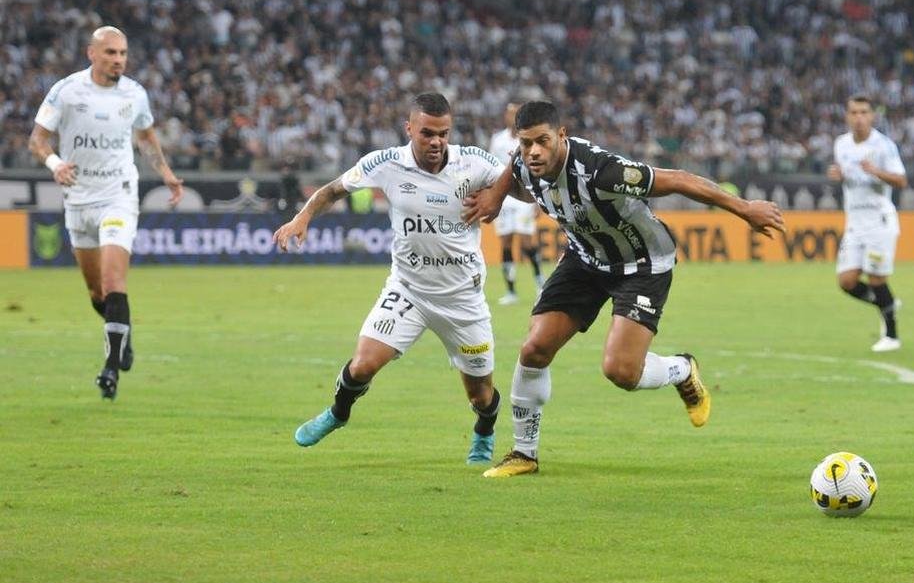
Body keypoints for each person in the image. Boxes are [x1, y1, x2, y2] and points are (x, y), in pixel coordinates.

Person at [461, 100, 785, 478]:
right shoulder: (525, 161)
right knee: (534, 348)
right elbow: (513, 165)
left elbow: (680, 179)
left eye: (542, 141)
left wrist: (745, 209)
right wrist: (497, 195)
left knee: (621, 371)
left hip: (642, 265)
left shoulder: (602, 170)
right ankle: (524, 453)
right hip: (585, 259)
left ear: (561, 136)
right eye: (526, 142)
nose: (533, 151)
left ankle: (681, 370)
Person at [273, 93, 507, 464]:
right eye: (427, 133)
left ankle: (483, 432)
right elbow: (333, 190)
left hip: (462, 297)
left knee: (480, 394)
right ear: (409, 128)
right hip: (408, 290)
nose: (436, 141)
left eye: (444, 133)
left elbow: (525, 186)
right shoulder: (385, 163)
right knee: (363, 364)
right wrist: (302, 218)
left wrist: (496, 195)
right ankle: (337, 413)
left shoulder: (475, 162)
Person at [27, 26, 183, 400]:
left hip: (119, 195)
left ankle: (110, 368)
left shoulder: (135, 94)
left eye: (123, 53)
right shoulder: (66, 91)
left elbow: (145, 137)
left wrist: (165, 174)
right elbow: (37, 139)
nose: (118, 60)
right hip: (78, 200)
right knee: (97, 293)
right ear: (91, 53)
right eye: (111, 52)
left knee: (115, 283)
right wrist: (54, 163)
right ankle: (122, 336)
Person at [826, 95, 907, 353]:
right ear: (847, 116)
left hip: (879, 221)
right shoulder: (841, 144)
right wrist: (837, 175)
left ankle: (892, 336)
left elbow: (901, 180)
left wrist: (876, 171)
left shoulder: (883, 146)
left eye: (863, 112)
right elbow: (847, 176)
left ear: (872, 116)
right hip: (855, 223)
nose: (859, 117)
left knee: (875, 279)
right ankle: (889, 303)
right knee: (846, 281)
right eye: (854, 112)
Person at [487, 102, 544, 304]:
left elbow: (537, 170)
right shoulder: (498, 140)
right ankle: (511, 291)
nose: (510, 118)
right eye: (508, 114)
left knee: (527, 242)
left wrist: (538, 200)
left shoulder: (528, 139)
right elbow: (491, 168)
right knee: (506, 242)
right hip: (505, 197)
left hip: (525, 198)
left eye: (514, 114)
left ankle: (540, 285)